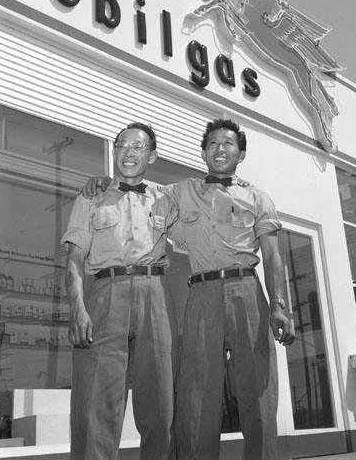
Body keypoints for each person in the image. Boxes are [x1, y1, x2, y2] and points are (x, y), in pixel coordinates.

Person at [82, 118, 295, 460]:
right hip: (201, 295)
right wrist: (105, 182)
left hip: (247, 292)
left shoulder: (258, 198)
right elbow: (134, 185)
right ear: (203, 152)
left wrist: (280, 305)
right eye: (212, 143)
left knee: (258, 392)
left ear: (240, 153)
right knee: (196, 396)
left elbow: (271, 255)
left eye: (227, 143)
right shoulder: (180, 191)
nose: (219, 149)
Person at [62, 122, 177, 460]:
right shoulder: (91, 197)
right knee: (95, 403)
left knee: (160, 406)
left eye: (137, 146)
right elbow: (73, 259)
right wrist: (77, 308)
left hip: (154, 294)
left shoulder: (167, 198)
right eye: (121, 145)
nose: (128, 151)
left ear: (152, 155)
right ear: (113, 151)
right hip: (105, 294)